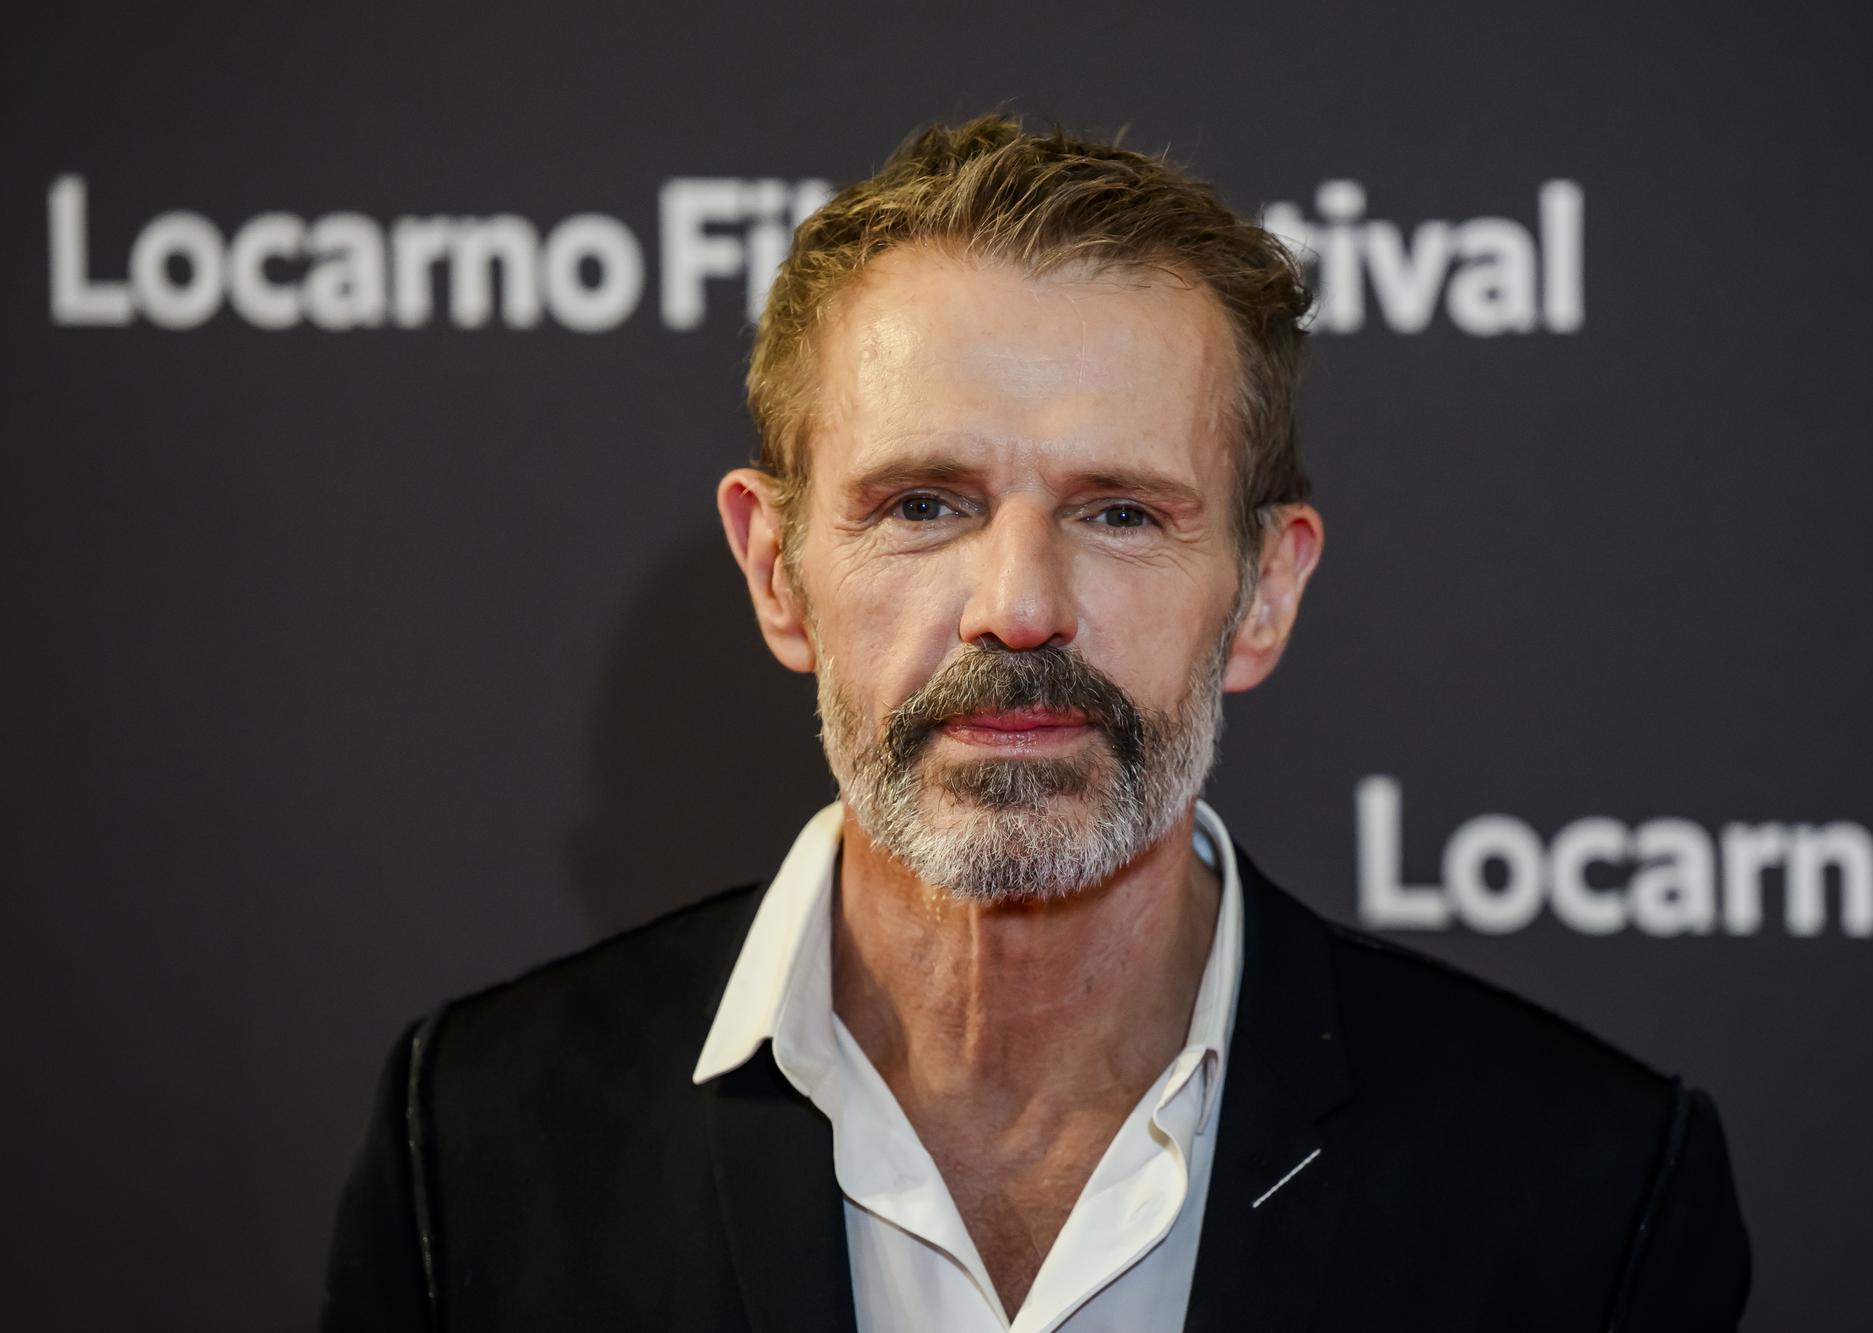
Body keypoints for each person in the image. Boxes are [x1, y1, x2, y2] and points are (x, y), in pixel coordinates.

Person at [321, 114, 1751, 1332]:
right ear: (777, 571)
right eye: (923, 504)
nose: (1018, 606)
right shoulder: (474, 1142)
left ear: (1261, 593)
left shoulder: (1588, 1193)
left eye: (1120, 512)